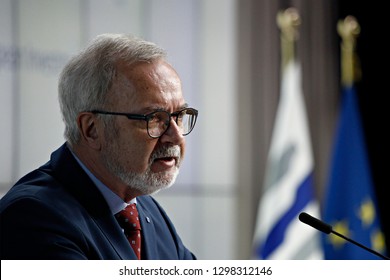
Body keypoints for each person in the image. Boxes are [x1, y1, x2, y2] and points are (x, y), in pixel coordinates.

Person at [0, 33, 198, 260]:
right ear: (92, 128)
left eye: (179, 115)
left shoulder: (147, 210)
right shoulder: (32, 218)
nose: (175, 136)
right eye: (154, 118)